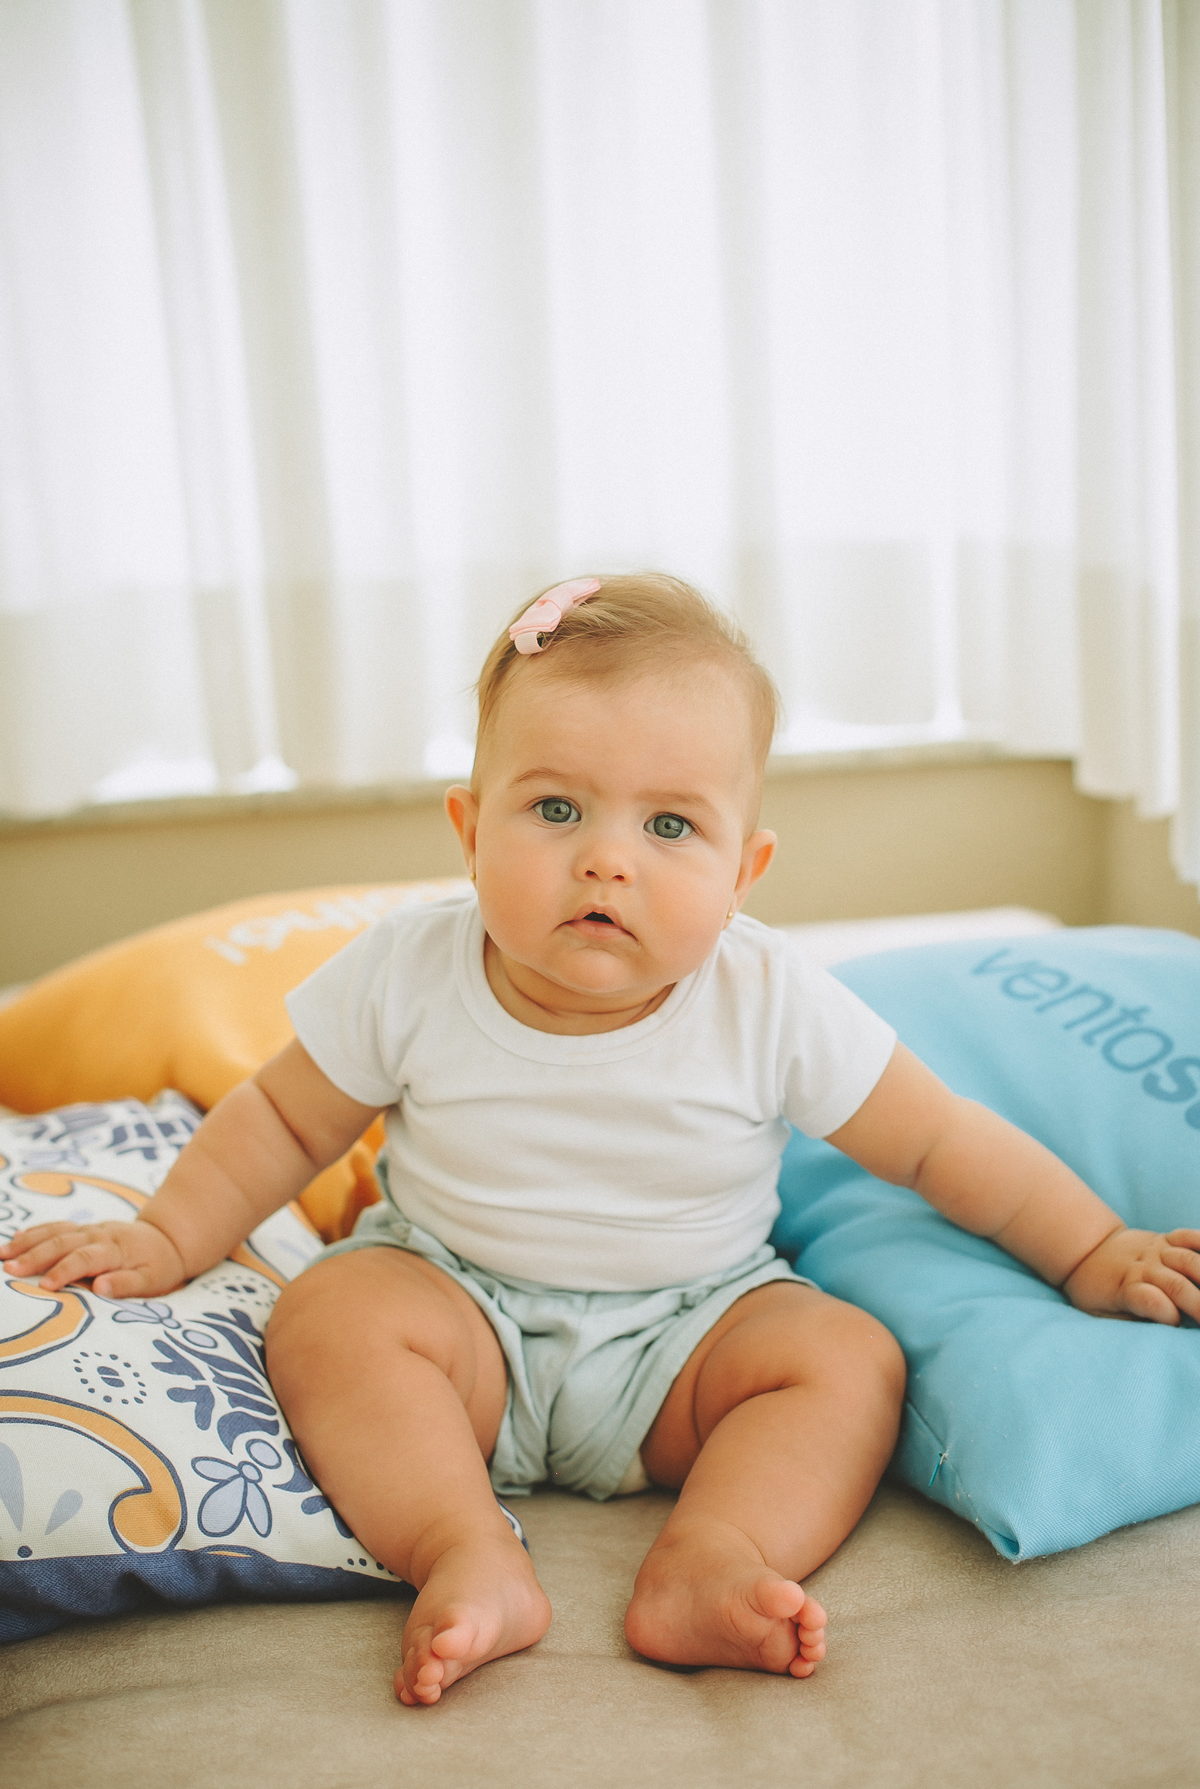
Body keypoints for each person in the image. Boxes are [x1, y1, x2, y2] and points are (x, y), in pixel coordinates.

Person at [6, 573, 1200, 1708]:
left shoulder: (769, 996)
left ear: (746, 871)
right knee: (332, 1315)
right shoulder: (408, 972)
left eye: (671, 823)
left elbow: (940, 1143)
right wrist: (166, 1236)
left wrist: (1092, 1248)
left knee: (844, 1360)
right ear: (471, 829)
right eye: (556, 808)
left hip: (688, 1334)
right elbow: (279, 1118)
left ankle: (712, 1557)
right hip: (456, 1314)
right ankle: (462, 1546)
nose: (606, 858)